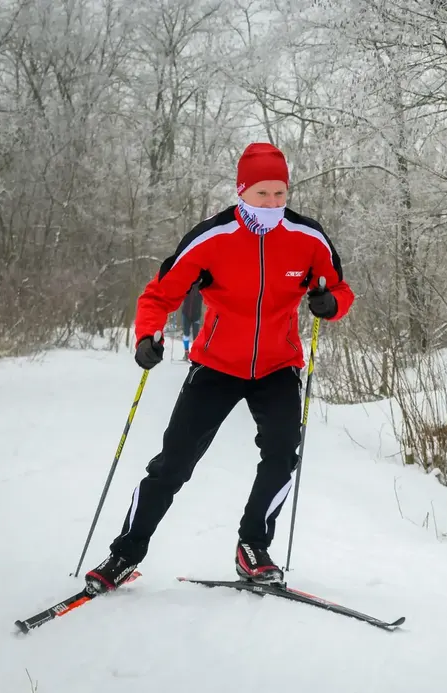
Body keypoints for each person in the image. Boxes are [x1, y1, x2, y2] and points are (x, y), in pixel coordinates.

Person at [84, 142, 354, 593]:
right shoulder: (212, 237)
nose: (272, 203)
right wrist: (147, 334)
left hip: (277, 365)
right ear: (242, 190)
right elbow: (159, 295)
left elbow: (339, 289)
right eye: (262, 193)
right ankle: (124, 555)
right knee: (173, 464)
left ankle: (253, 549)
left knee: (282, 456)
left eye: (280, 193)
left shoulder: (308, 238)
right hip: (216, 365)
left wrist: (331, 304)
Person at [180, 283, 203, 359]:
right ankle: (186, 352)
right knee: (186, 334)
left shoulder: (201, 287)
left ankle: (194, 353)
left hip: (196, 315)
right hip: (186, 314)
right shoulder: (187, 285)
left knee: (196, 336)